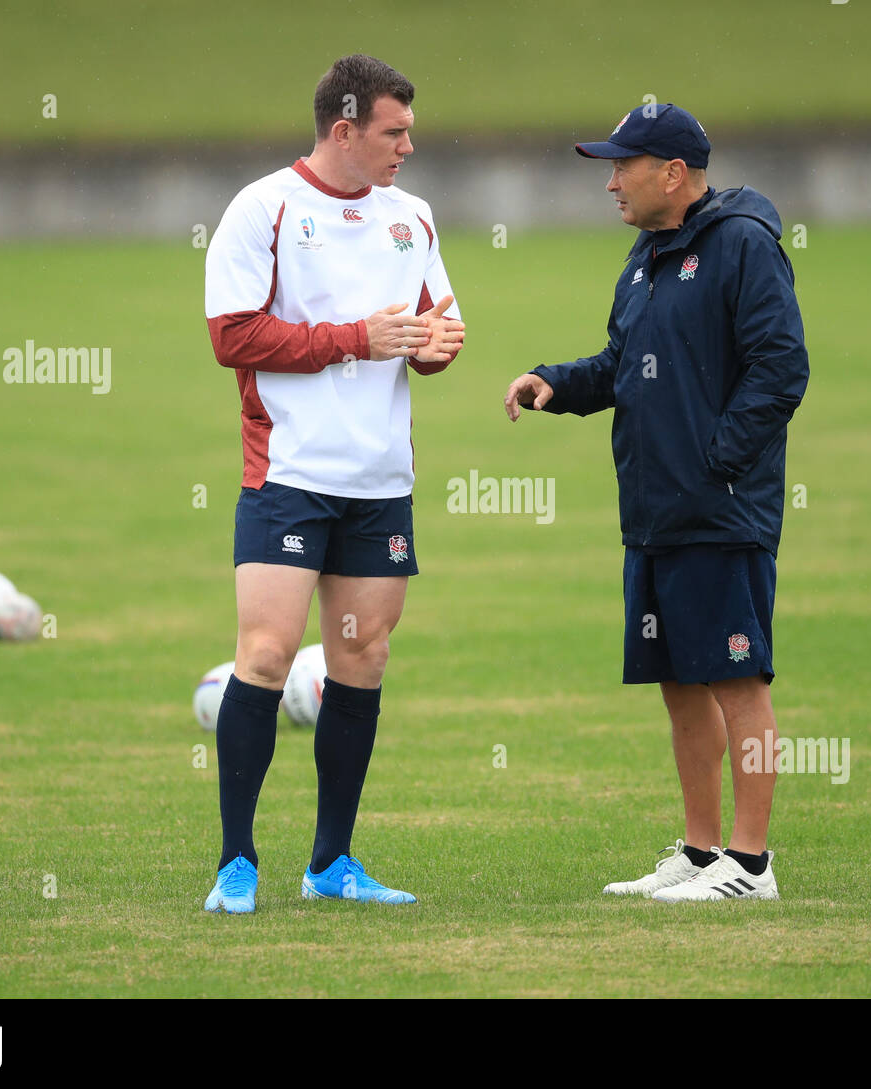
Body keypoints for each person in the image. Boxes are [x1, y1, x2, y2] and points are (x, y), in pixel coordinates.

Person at [504, 103, 808, 901]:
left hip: (719, 510)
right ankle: (704, 852)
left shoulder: (743, 245)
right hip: (653, 513)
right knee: (681, 682)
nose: (609, 182)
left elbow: (781, 370)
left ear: (672, 174)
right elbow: (622, 362)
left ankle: (752, 863)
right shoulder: (645, 255)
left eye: (621, 167)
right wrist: (557, 384)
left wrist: (716, 462)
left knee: (740, 685)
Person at [201, 54, 464, 912]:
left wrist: (434, 348)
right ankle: (236, 862)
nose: (408, 147)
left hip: (380, 479)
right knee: (268, 654)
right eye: (394, 131)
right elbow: (233, 336)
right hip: (287, 473)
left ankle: (332, 863)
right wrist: (356, 337)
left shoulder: (412, 217)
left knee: (363, 658)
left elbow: (429, 327)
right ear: (344, 128)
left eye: (410, 131)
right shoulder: (263, 206)